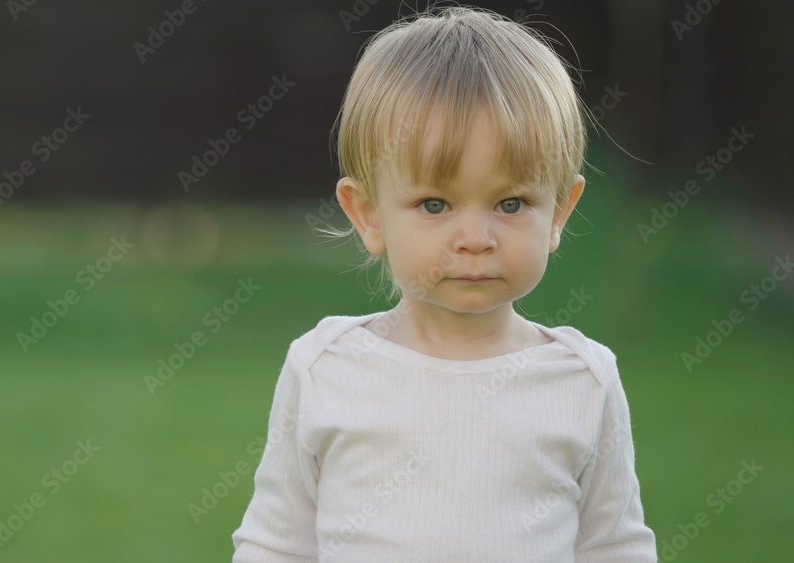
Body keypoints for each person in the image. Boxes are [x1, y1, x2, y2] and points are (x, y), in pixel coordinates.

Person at [232, 6, 657, 561]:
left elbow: (614, 546)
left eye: (511, 204)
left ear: (559, 211)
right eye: (435, 204)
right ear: (368, 214)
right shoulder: (324, 370)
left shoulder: (582, 381)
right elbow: (275, 545)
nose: (476, 238)